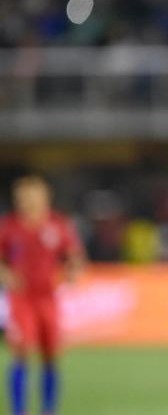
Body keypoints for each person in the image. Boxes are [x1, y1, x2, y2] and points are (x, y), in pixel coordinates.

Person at [0, 176, 85, 415]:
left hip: (48, 298)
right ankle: (19, 410)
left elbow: (73, 255)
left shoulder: (58, 225)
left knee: (51, 354)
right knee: (21, 352)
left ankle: (49, 409)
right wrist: (5, 274)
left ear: (45, 197)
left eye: (31, 196)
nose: (26, 202)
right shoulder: (9, 226)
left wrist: (73, 271)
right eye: (21, 197)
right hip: (21, 298)